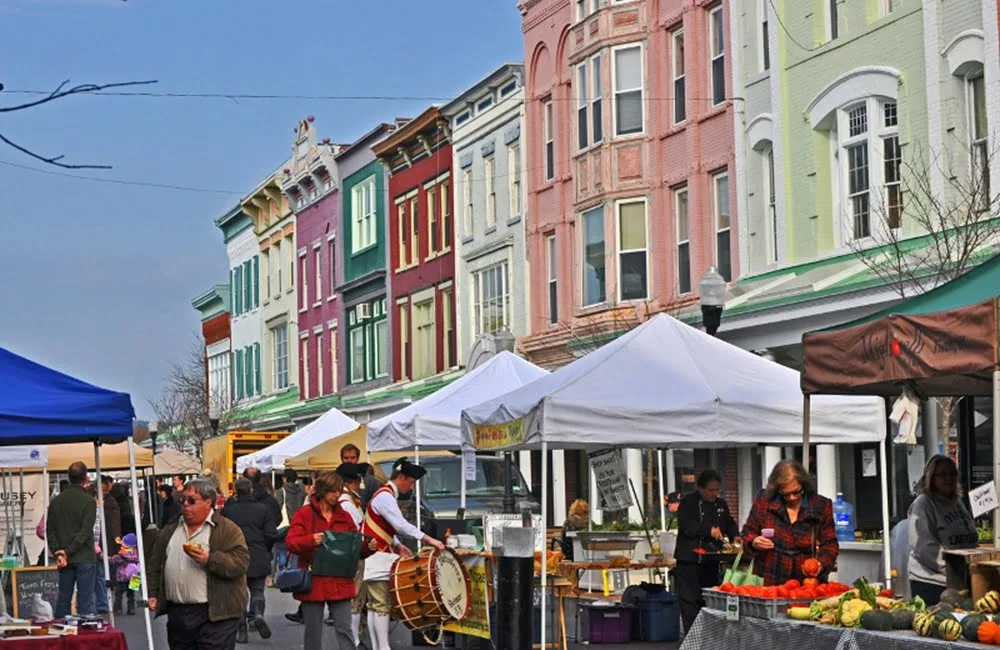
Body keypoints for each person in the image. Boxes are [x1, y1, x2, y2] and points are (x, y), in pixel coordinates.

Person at [147, 479, 250, 650]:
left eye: (191, 500)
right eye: (182, 500)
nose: (185, 504)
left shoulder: (226, 529)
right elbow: (155, 564)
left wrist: (210, 560)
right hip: (178, 614)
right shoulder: (171, 529)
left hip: (215, 616)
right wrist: (153, 593)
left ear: (208, 502)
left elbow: (240, 563)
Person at [363, 458, 445, 650]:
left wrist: (399, 545)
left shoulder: (385, 494)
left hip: (378, 552)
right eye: (411, 481)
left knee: (375, 605)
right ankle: (383, 647)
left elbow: (385, 526)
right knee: (381, 604)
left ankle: (379, 647)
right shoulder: (385, 496)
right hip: (378, 554)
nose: (412, 486)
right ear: (401, 477)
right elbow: (399, 524)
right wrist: (430, 539)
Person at [285, 471, 358, 650]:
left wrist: (366, 547)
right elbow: (291, 542)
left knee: (345, 629)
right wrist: (311, 540)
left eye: (339, 491)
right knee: (313, 632)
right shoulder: (304, 514)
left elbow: (355, 547)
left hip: (339, 579)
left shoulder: (345, 516)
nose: (337, 495)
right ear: (322, 491)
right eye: (333, 491)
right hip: (314, 579)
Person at [742, 460, 839, 586]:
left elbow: (830, 544)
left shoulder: (820, 505)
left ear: (803, 485)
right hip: (769, 580)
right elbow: (747, 532)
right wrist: (753, 541)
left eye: (796, 492)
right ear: (777, 489)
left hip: (807, 582)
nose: (792, 497)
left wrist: (821, 564)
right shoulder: (764, 501)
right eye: (786, 494)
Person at [675, 470, 740, 632]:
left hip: (711, 560)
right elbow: (686, 525)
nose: (714, 494)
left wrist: (735, 535)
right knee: (690, 601)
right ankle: (692, 637)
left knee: (710, 600)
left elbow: (729, 523)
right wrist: (708, 530)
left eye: (717, 490)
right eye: (710, 490)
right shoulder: (688, 502)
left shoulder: (721, 505)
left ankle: (710, 636)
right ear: (700, 488)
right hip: (689, 560)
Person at [907, 455, 978, 605]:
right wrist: (954, 570)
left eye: (952, 474)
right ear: (931, 477)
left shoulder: (956, 502)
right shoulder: (922, 504)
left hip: (960, 581)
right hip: (932, 583)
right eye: (942, 474)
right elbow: (924, 547)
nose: (949, 478)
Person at [221, 478, 277, 643]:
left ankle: (241, 629)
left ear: (236, 491)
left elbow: (222, 534)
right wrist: (264, 548)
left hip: (235, 556)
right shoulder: (263, 509)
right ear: (251, 490)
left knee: (238, 594)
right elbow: (272, 534)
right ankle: (257, 614)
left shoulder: (228, 511)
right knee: (257, 590)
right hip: (258, 554)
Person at [47, 461, 97, 617]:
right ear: (86, 478)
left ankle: (62, 634)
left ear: (68, 477)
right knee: (85, 602)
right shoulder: (89, 501)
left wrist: (59, 552)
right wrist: (69, 551)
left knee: (63, 598)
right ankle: (83, 636)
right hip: (84, 556)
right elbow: (85, 532)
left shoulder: (56, 502)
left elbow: (50, 530)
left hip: (64, 557)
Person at [336, 463, 369, 647]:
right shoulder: (347, 503)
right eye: (358, 482)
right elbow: (359, 529)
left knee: (355, 598)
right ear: (352, 483)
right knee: (355, 597)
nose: (360, 487)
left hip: (349, 554)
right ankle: (355, 639)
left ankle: (355, 636)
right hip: (354, 554)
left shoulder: (347, 501)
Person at [275, 468, 306, 577]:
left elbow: (277, 508)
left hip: (284, 525)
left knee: (281, 548)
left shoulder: (280, 491)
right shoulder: (302, 492)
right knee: (295, 550)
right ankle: (294, 572)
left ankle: (283, 572)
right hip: (298, 524)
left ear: (285, 478)